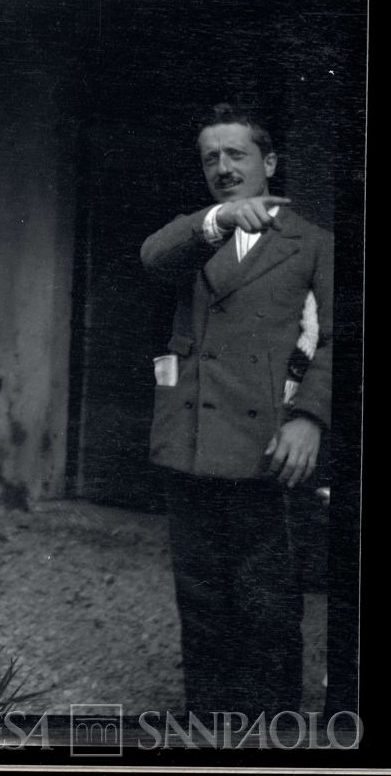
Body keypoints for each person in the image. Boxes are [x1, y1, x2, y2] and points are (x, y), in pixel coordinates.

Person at [141, 103, 333, 716]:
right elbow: (152, 258)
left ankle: (272, 731)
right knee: (200, 597)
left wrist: (310, 418)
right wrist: (218, 219)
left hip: (266, 446)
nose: (224, 167)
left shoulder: (314, 244)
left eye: (237, 155)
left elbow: (339, 340)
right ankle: (207, 727)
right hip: (192, 438)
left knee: (267, 599)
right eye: (211, 159)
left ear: (269, 162)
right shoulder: (195, 233)